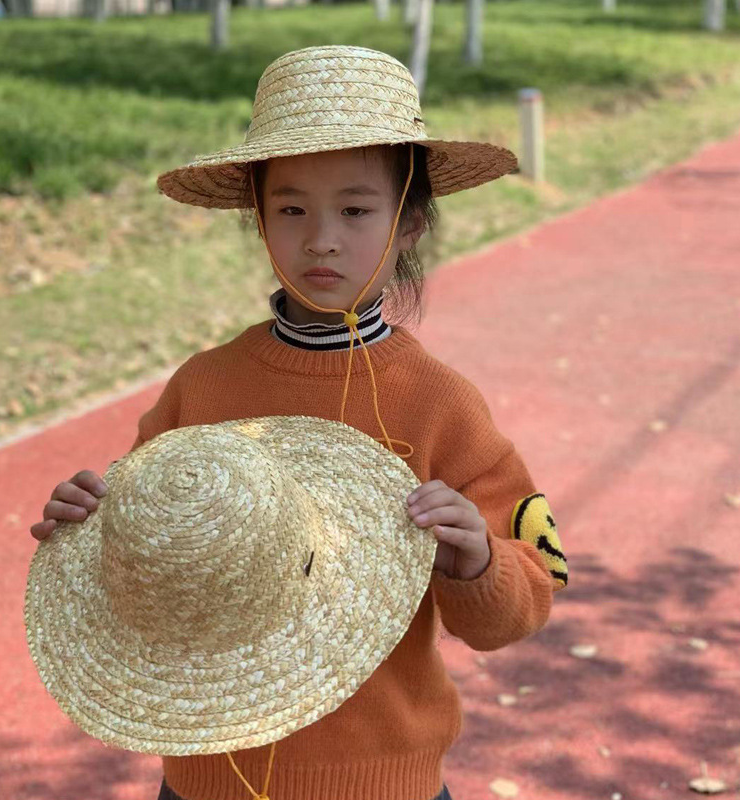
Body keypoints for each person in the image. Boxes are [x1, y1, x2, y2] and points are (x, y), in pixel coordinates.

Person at [29, 44, 567, 800]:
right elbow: (150, 574)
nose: (321, 239)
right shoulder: (202, 386)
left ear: (410, 223)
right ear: (258, 220)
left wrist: (477, 562)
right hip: (205, 781)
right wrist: (90, 532)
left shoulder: (439, 403)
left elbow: (529, 593)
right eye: (291, 210)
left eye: (356, 210)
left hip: (384, 784)